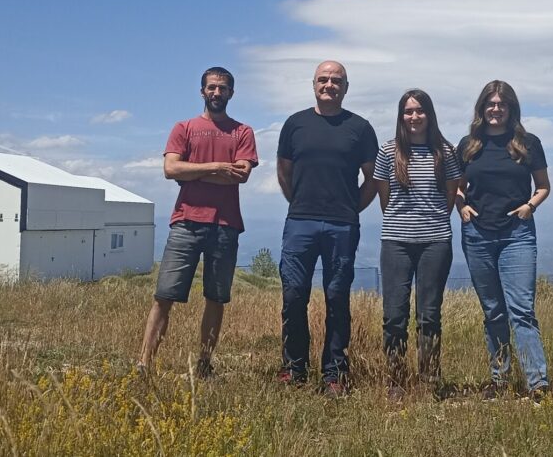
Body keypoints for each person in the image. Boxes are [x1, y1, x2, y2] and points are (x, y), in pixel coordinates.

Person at [138, 66, 258, 377]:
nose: (217, 93)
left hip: (225, 224)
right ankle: (144, 364)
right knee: (164, 296)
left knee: (216, 298)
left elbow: (241, 174)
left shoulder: (242, 131)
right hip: (186, 222)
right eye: (212, 87)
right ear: (202, 91)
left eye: (223, 88)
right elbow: (170, 169)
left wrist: (193, 171)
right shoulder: (184, 127)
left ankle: (205, 364)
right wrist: (219, 166)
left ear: (231, 93)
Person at [276, 60, 379, 397]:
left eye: (337, 80)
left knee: (337, 297)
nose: (329, 85)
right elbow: (283, 171)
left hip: (342, 225)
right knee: (293, 296)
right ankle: (294, 367)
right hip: (300, 221)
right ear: (314, 84)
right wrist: (299, 203)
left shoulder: (360, 128)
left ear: (346, 87)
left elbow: (372, 179)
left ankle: (333, 373)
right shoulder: (295, 124)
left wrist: (351, 208)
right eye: (324, 79)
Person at [456, 80, 551, 400]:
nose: (495, 109)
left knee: (521, 310)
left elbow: (543, 186)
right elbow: (457, 186)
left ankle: (537, 384)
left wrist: (529, 207)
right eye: (490, 104)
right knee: (493, 311)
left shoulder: (527, 143)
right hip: (477, 234)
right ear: (482, 108)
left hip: (517, 234)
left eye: (502, 104)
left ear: (511, 108)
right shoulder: (469, 145)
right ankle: (498, 380)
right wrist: (461, 206)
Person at [373, 89, 461, 401]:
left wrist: (431, 222)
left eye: (419, 111)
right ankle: (395, 380)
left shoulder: (446, 152)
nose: (414, 117)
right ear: (401, 116)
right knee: (394, 315)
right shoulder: (388, 151)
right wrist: (404, 222)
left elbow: (451, 195)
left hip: (435, 241)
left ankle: (429, 380)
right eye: (408, 111)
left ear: (429, 114)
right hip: (395, 241)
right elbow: (385, 198)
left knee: (429, 315)